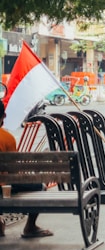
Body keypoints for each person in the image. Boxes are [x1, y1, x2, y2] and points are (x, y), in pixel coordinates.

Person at [0, 100, 53, 238]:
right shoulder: (7, 138)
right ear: (3, 116)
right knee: (40, 186)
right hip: (3, 187)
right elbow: (13, 172)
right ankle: (30, 227)